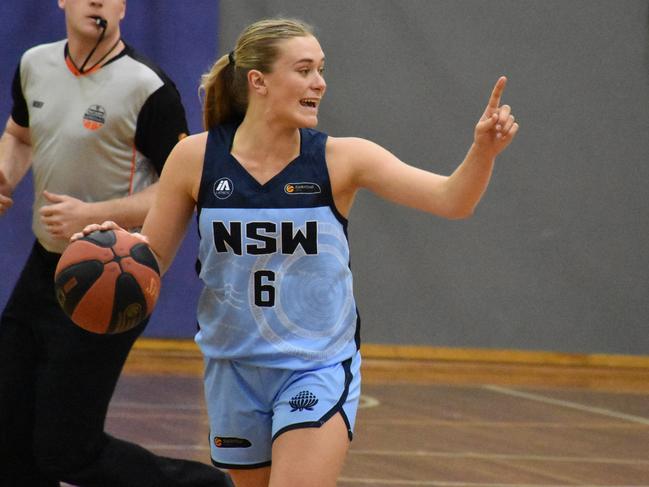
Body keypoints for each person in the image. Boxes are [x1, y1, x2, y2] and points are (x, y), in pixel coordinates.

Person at [76, 17, 519, 487]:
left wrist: (483, 152)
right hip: (234, 367)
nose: (320, 83)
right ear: (258, 81)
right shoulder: (196, 158)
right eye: (305, 70)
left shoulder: (343, 159)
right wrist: (117, 251)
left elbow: (452, 200)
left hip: (315, 365)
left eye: (321, 70)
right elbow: (153, 260)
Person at [0, 1, 234, 486]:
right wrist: (5, 174)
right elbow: (19, 136)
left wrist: (91, 214)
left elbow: (182, 188)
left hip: (111, 275)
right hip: (43, 269)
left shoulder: (148, 87)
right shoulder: (34, 65)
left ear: (122, 7)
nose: (96, 2)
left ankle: (206, 485)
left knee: (67, 452)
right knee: (8, 435)